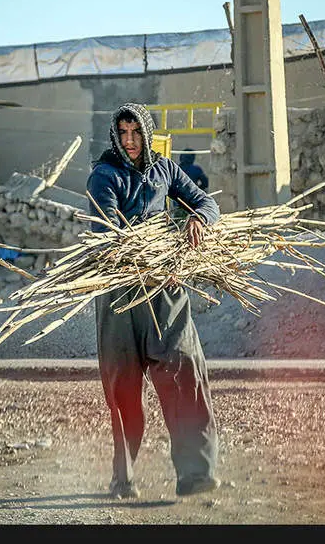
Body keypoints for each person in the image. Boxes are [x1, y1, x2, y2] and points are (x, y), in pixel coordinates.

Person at [86, 102, 222, 499]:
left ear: (147, 133)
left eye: (136, 133)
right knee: (123, 386)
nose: (129, 141)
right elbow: (108, 228)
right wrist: (146, 243)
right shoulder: (103, 176)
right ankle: (122, 479)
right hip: (120, 292)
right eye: (123, 133)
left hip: (165, 285)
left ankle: (196, 474)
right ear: (115, 136)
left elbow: (206, 202)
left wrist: (197, 220)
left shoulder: (164, 169)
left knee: (183, 370)